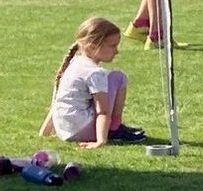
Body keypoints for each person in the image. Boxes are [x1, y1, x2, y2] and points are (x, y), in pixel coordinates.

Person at [41, 17, 145, 146]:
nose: (117, 51)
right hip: (82, 130)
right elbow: (103, 112)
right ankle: (114, 128)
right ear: (92, 47)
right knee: (118, 77)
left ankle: (113, 128)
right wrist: (100, 141)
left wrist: (44, 132)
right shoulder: (95, 72)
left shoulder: (74, 63)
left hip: (65, 131)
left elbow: (59, 102)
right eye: (113, 46)